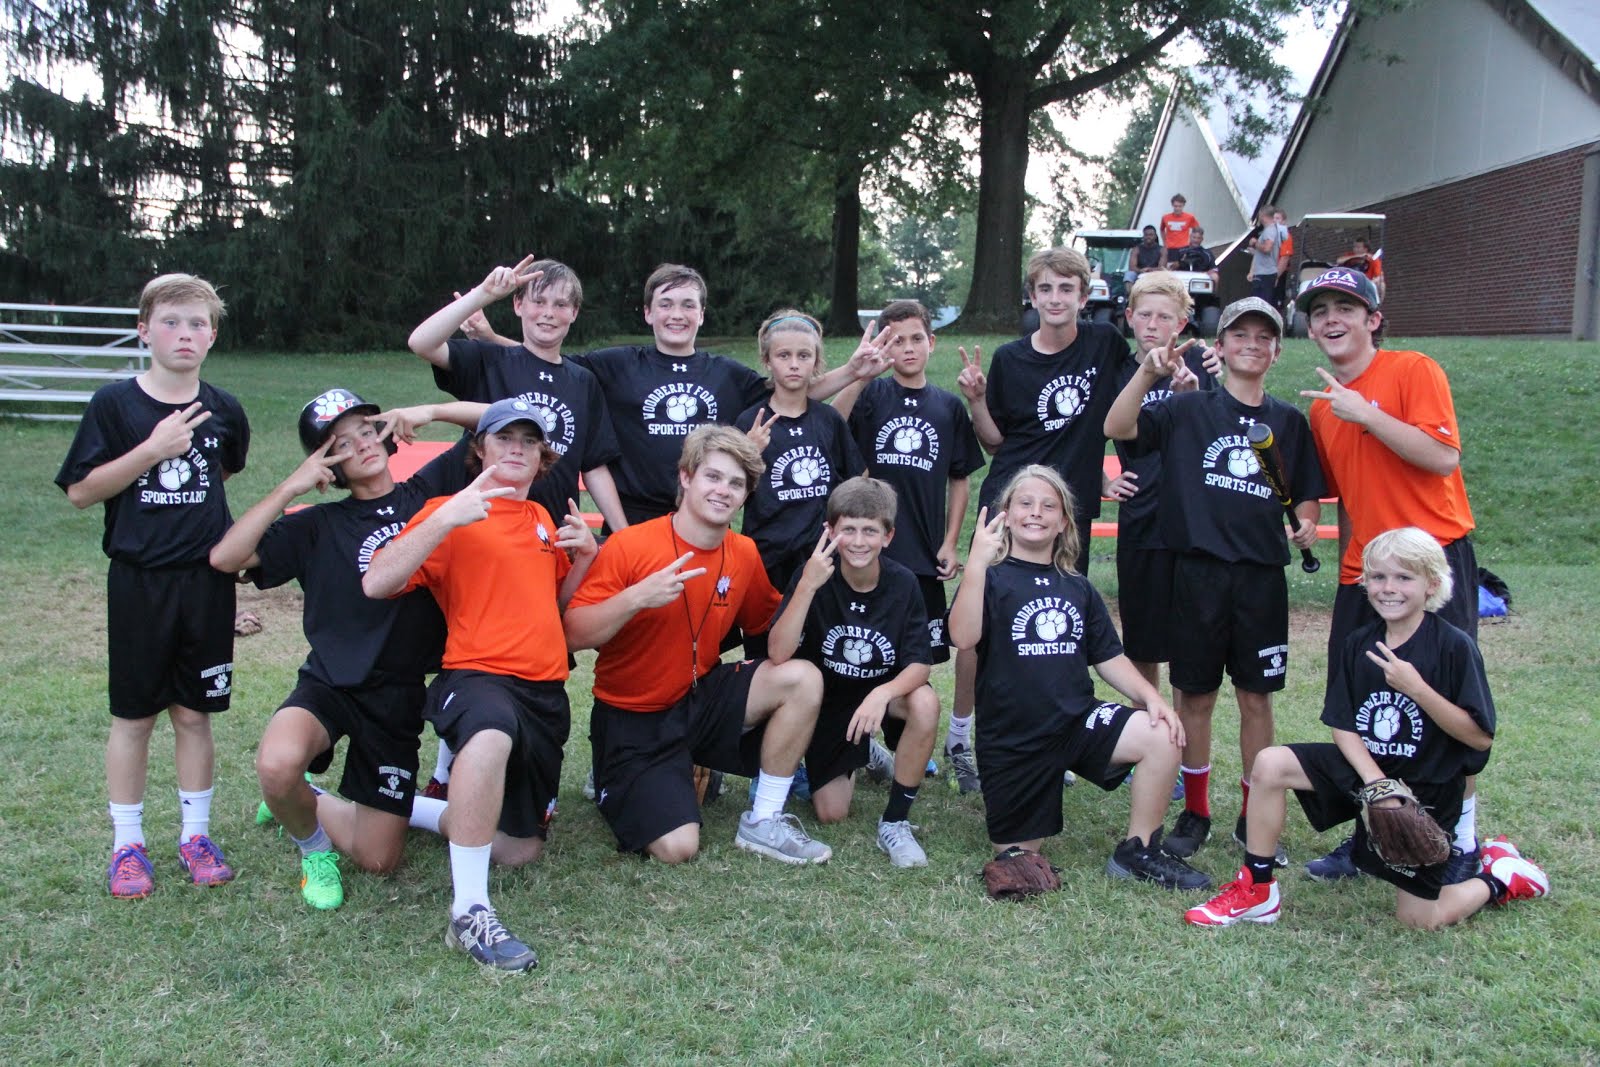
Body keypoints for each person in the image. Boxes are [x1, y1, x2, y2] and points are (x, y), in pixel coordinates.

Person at [1185, 528, 1549, 929]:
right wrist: (1377, 784)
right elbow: (1343, 724)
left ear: (1431, 584)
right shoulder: (1360, 642)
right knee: (1270, 763)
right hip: (1368, 773)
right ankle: (1258, 889)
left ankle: (1501, 877)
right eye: (1378, 577)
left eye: (1404, 577)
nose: (1388, 588)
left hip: (1425, 785)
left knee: (1419, 920)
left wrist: (1417, 689)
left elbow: (1478, 736)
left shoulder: (1453, 646)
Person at [209, 390, 481, 910]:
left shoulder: (430, 492)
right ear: (327, 462)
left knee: (378, 860)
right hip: (329, 682)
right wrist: (292, 485)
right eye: (342, 443)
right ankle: (312, 848)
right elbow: (226, 558)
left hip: (397, 696)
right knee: (277, 765)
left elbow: (504, 417)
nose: (361, 444)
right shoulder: (317, 525)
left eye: (367, 430)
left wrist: (429, 412)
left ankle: (308, 798)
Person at [363, 398, 598, 971]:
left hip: (545, 691)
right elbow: (377, 583)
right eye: (503, 438)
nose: (517, 449)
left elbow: (554, 609)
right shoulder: (448, 511)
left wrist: (585, 560)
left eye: (529, 441)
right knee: (490, 734)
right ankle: (469, 911)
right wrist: (445, 518)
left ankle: (402, 808)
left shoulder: (542, 519)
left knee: (517, 850)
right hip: (477, 674)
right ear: (480, 450)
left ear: (542, 457)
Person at [1104, 297, 1325, 864]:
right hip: (1196, 573)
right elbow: (1117, 426)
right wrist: (1147, 373)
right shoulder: (1189, 410)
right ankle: (1196, 809)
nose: (1252, 344)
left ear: (1277, 352)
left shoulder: (1288, 422)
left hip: (1260, 577)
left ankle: (1253, 811)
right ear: (1219, 347)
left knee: (1256, 697)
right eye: (1239, 335)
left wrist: (1305, 521)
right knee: (1195, 696)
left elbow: (1305, 492)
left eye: (1263, 337)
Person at [56, 273, 250, 898]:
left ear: (212, 336)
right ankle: (128, 845)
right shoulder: (115, 405)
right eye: (170, 322)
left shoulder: (225, 409)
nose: (184, 334)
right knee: (135, 716)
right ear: (144, 331)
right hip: (139, 583)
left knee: (194, 714)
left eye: (197, 324)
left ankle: (196, 836)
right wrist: (153, 449)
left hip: (206, 584)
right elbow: (81, 491)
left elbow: (219, 474)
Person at [563, 426, 833, 865]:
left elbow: (770, 631)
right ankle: (630, 777)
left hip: (698, 697)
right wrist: (636, 598)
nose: (723, 490)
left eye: (736, 483)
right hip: (632, 718)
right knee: (678, 847)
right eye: (713, 476)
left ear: (745, 496)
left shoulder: (743, 553)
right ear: (686, 477)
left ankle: (764, 820)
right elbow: (572, 634)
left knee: (801, 679)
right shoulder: (631, 545)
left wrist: (810, 589)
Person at [1295, 265, 1483, 882]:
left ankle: (1461, 836)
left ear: (1373, 319)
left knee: (1445, 699)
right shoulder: (1324, 408)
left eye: (1346, 308)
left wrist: (1367, 413)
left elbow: (1442, 456)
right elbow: (1351, 498)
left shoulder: (1412, 370)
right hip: (1367, 575)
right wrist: (1349, 573)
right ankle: (1371, 835)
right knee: (1368, 704)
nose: (1331, 319)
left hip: (1431, 563)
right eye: (1319, 311)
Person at [946, 466, 1210, 891]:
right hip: (1014, 738)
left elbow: (1108, 657)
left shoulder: (1077, 586)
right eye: (1025, 503)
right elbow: (963, 637)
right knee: (1020, 857)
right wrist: (976, 563)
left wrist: (1151, 697)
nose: (1036, 512)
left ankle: (1138, 850)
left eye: (1048, 506)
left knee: (1162, 732)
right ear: (1006, 515)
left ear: (1064, 522)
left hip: (1076, 722)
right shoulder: (990, 579)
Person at [950, 248, 1133, 794]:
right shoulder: (1010, 358)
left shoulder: (1104, 343)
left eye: (1066, 288)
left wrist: (1101, 477)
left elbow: (1129, 408)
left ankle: (1053, 737)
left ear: (1084, 295)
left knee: (1054, 628)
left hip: (1065, 515)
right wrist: (977, 400)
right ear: (1032, 296)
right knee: (982, 629)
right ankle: (961, 737)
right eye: (1045, 289)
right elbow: (995, 441)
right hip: (1011, 506)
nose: (1055, 299)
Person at [569, 265, 871, 526]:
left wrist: (852, 371)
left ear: (701, 314)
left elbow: (791, 394)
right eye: (666, 304)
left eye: (688, 305)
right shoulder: (616, 366)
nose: (677, 314)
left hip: (703, 518)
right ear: (648, 312)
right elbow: (551, 366)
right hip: (635, 518)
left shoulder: (728, 375)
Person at [834, 299, 985, 788]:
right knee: (863, 647)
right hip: (871, 554)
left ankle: (903, 745)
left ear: (931, 342)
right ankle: (857, 741)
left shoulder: (947, 407)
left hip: (922, 556)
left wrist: (951, 541)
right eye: (895, 340)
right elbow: (837, 435)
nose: (907, 348)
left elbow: (960, 478)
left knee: (916, 657)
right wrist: (859, 377)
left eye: (916, 338)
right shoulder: (873, 395)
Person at [764, 477, 939, 867]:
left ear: (888, 536)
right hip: (829, 700)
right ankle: (866, 753)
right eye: (849, 530)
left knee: (925, 702)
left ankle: (895, 822)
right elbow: (778, 652)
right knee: (831, 813)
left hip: (883, 696)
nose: (859, 541)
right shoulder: (812, 575)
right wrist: (807, 587)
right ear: (830, 531)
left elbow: (920, 663)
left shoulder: (903, 582)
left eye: (870, 531)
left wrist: (882, 693)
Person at [407, 255, 627, 531]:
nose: (548, 312)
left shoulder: (583, 381)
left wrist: (623, 533)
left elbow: (594, 466)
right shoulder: (489, 360)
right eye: (539, 301)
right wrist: (484, 294)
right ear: (518, 304)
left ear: (574, 313)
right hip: (483, 523)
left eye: (560, 304)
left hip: (551, 530)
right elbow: (421, 343)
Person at [733, 309, 867, 648]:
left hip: (820, 556)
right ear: (767, 360)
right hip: (767, 559)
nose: (794, 364)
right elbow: (730, 495)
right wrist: (748, 453)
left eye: (804, 355)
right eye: (784, 355)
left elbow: (856, 482)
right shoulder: (750, 422)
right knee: (766, 648)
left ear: (816, 362)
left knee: (823, 647)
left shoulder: (828, 420)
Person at [1113, 273, 1217, 692]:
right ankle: (1148, 723)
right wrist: (1102, 482)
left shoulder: (1202, 366)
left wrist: (1197, 391)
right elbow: (1089, 432)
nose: (1153, 325)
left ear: (1182, 323)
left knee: (1188, 644)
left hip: (1192, 524)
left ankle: (1187, 729)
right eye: (1145, 315)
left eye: (1164, 317)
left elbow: (1221, 435)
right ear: (1129, 317)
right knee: (1142, 641)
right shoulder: (1118, 371)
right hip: (1141, 520)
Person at [1246, 205, 1288, 307]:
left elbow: (1267, 248)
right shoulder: (1271, 230)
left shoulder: (1270, 230)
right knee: (1258, 303)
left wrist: (1255, 243)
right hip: (1264, 273)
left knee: (1260, 304)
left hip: (1265, 274)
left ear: (1262, 215)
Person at [1336, 237, 1387, 302]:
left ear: (1365, 249)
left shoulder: (1373, 259)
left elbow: (1378, 277)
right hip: (1350, 281)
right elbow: (1339, 261)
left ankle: (1377, 304)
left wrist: (1369, 283)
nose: (1355, 249)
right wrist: (1358, 256)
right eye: (1354, 247)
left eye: (1358, 247)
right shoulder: (1350, 255)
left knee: (1382, 284)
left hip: (1367, 282)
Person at [1160, 194, 1200, 261]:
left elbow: (1197, 230)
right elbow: (1162, 230)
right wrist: (1164, 243)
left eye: (1180, 206)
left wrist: (1192, 242)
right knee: (1171, 266)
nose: (1177, 208)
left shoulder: (1190, 217)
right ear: (1172, 205)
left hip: (1184, 248)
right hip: (1170, 249)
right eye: (1176, 206)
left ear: (1183, 205)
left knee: (1183, 266)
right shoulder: (1165, 217)